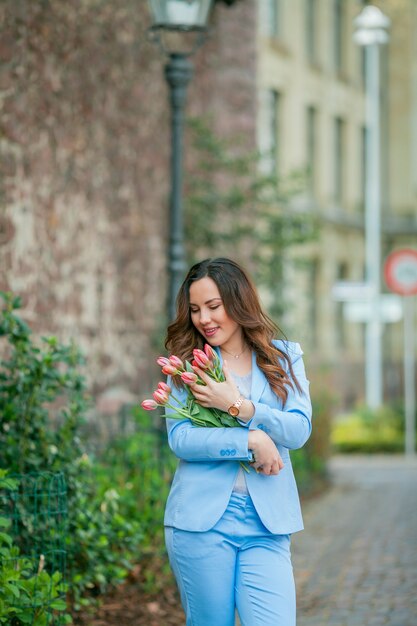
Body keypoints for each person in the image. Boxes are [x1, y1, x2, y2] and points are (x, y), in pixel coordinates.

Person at [163, 257, 312, 626]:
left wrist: (242, 408)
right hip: (202, 523)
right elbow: (182, 439)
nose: (204, 319)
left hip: (267, 524)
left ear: (239, 302)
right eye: (196, 309)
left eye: (214, 306)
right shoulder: (188, 366)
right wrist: (251, 442)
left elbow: (297, 431)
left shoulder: (283, 357)